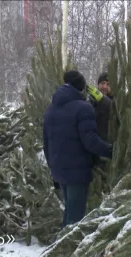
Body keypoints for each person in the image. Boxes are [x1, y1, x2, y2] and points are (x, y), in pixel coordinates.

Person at [43, 70, 113, 228]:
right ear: (80, 88)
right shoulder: (83, 108)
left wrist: (52, 167)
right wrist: (112, 151)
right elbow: (90, 141)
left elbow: (46, 143)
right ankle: (65, 250)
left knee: (69, 212)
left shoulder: (50, 109)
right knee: (75, 220)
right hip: (77, 171)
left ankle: (60, 248)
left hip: (58, 169)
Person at [85, 72, 115, 142]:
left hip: (110, 145)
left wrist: (102, 99)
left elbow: (115, 111)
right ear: (98, 85)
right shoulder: (89, 102)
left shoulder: (116, 102)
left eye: (108, 84)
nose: (105, 87)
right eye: (102, 83)